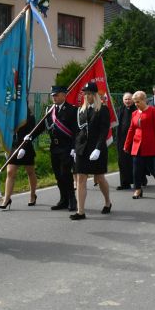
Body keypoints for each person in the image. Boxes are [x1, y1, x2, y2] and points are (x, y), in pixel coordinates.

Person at [30, 85, 78, 211]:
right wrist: (30, 136)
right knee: (58, 175)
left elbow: (76, 131)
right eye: (53, 96)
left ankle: (72, 199)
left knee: (66, 174)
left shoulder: (72, 110)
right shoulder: (50, 110)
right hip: (54, 147)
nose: (54, 98)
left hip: (67, 148)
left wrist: (74, 148)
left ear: (64, 95)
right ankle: (63, 199)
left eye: (56, 95)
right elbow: (41, 127)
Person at [71, 82, 112, 220]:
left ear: (95, 95)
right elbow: (78, 131)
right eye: (85, 94)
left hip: (96, 149)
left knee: (100, 178)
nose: (87, 96)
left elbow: (103, 131)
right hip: (82, 149)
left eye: (89, 94)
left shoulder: (103, 110)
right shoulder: (81, 110)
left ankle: (107, 201)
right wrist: (74, 148)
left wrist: (98, 149)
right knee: (81, 178)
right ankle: (80, 211)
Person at [123, 91, 155, 199]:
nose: (136, 104)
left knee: (152, 168)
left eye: (138, 102)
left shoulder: (154, 111)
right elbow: (131, 130)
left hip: (150, 145)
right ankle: (138, 189)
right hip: (137, 146)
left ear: (144, 100)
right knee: (136, 169)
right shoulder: (134, 113)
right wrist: (127, 145)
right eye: (135, 102)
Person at [0, 108, 38, 210]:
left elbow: (31, 134)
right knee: (10, 172)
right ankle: (6, 199)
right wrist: (6, 147)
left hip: (25, 147)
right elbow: (6, 132)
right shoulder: (9, 115)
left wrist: (24, 148)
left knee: (30, 171)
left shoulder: (29, 116)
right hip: (13, 147)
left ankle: (33, 194)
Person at [116, 92, 136, 190]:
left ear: (133, 99)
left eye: (129, 99)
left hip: (134, 140)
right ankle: (124, 183)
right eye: (126, 99)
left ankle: (139, 180)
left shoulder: (136, 109)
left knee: (135, 162)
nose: (127, 101)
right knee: (122, 161)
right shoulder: (120, 109)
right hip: (122, 140)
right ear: (123, 100)